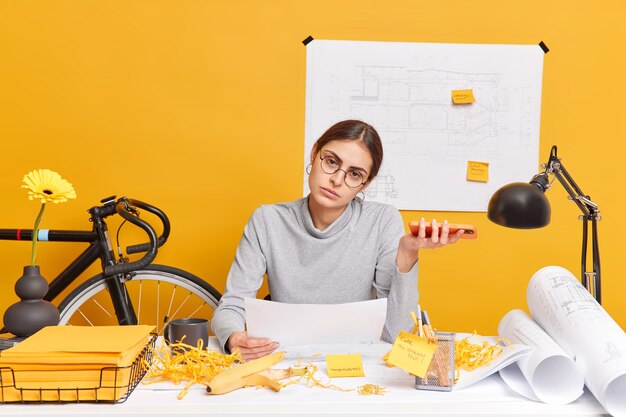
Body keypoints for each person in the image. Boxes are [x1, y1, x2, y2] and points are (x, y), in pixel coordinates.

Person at [212, 120, 464, 360]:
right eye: (331, 162)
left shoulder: (382, 220)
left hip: (357, 365)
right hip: (286, 361)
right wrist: (233, 338)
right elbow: (232, 304)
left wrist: (408, 255)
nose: (337, 180)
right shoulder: (267, 220)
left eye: (355, 174)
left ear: (365, 184)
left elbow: (397, 335)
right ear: (314, 153)